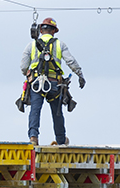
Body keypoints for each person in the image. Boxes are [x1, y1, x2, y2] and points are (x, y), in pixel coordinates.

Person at [19, 17, 85, 146]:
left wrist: (28, 74)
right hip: (54, 84)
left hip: (36, 83)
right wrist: (80, 75)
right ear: (54, 31)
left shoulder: (31, 45)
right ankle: (61, 141)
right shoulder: (60, 44)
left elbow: (23, 66)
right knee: (57, 112)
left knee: (35, 111)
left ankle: (33, 137)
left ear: (40, 30)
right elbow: (70, 61)